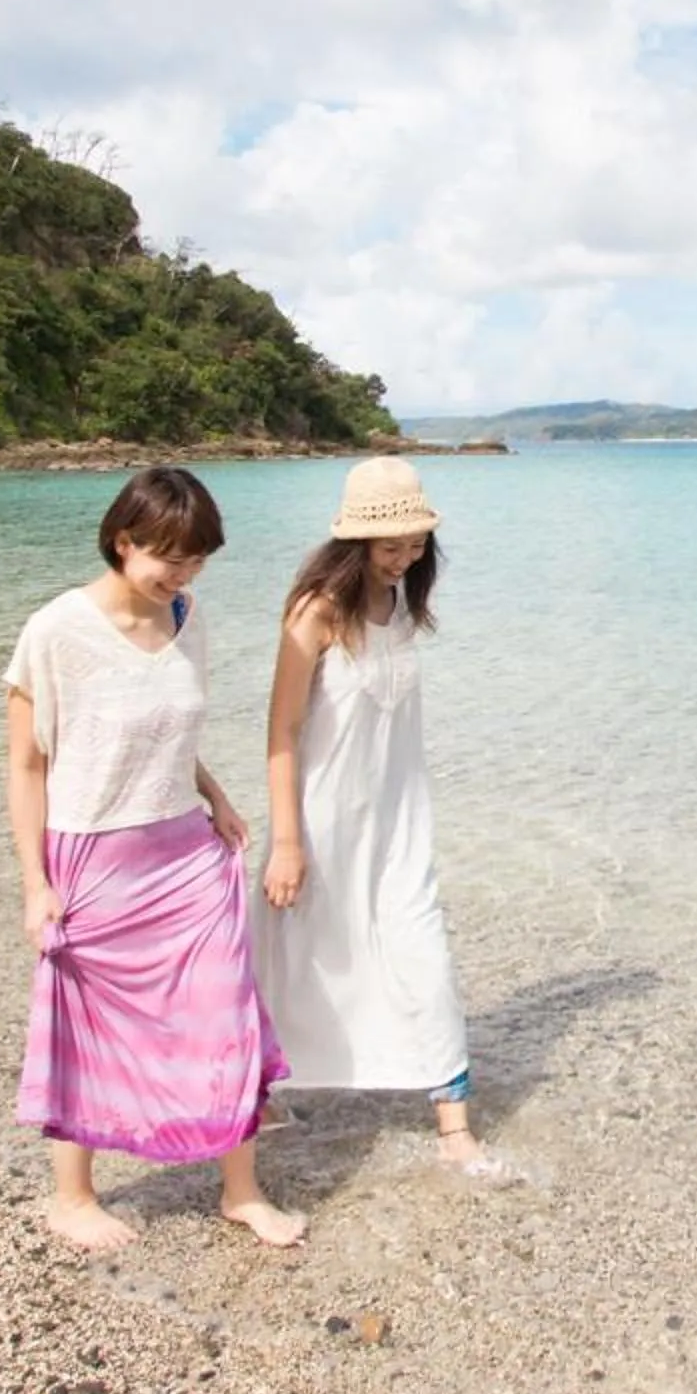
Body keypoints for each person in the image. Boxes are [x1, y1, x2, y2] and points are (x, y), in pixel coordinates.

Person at [3, 466, 305, 1251]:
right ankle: (71, 1197)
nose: (182, 573)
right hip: (95, 859)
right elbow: (27, 766)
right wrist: (35, 884)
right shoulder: (55, 631)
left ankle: (240, 1191)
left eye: (198, 560)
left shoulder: (187, 617)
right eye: (169, 557)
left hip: (186, 851)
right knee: (87, 1023)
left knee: (225, 1014)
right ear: (123, 539)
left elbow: (174, 729)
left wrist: (215, 794)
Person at [259, 457, 499, 1174]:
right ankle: (262, 1093)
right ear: (355, 543)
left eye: (416, 542)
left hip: (399, 823)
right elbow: (282, 732)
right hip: (320, 821)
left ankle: (454, 1126)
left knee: (424, 955)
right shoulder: (316, 611)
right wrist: (286, 841)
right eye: (390, 546)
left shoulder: (402, 606)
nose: (404, 558)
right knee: (293, 962)